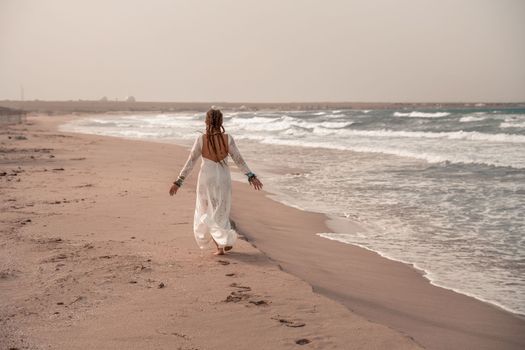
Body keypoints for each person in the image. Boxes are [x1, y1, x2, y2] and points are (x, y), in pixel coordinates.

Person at [169, 107, 263, 255]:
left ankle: (221, 245)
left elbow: (191, 161)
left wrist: (178, 181)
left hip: (207, 179)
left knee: (206, 211)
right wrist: (251, 176)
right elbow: (239, 160)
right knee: (221, 212)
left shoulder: (201, 139)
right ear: (221, 121)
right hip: (223, 179)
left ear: (206, 121)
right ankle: (223, 242)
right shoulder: (228, 139)